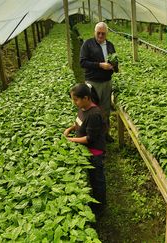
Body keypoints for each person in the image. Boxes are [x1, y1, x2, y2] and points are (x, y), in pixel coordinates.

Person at [63, 83, 107, 216]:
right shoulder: (82, 108)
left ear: (86, 98)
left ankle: (100, 207)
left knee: (97, 180)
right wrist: (70, 129)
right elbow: (79, 123)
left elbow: (90, 139)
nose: (74, 102)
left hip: (94, 152)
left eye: (76, 99)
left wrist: (70, 140)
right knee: (93, 179)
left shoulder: (94, 114)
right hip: (86, 150)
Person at [80, 22, 118, 143]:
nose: (101, 36)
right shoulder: (88, 44)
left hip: (107, 82)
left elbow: (115, 60)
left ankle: (106, 133)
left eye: (103, 33)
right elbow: (83, 62)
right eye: (98, 33)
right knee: (93, 110)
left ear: (107, 34)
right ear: (94, 32)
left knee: (106, 110)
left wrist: (114, 67)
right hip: (93, 82)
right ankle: (93, 136)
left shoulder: (110, 45)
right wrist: (100, 65)